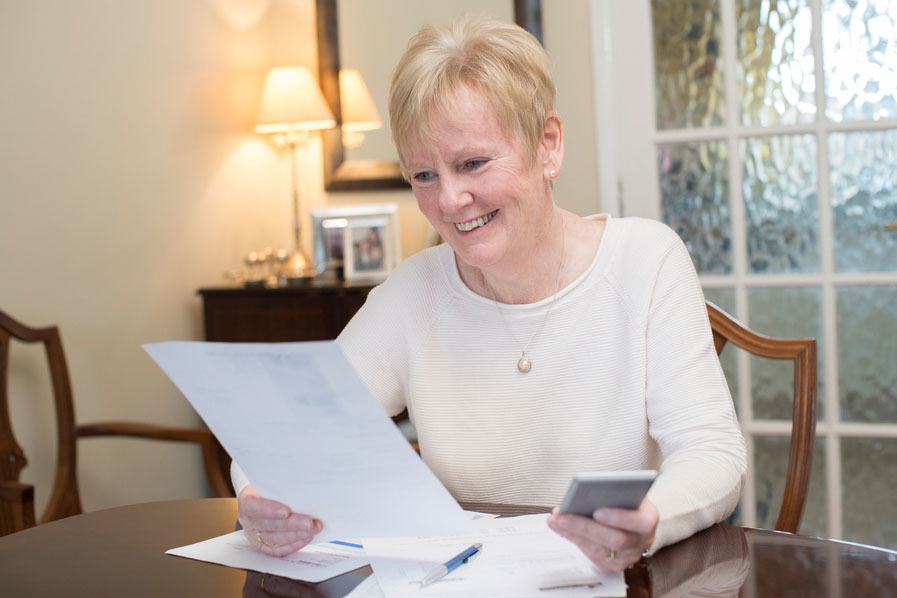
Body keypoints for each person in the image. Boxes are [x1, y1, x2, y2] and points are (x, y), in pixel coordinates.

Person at [234, 15, 746, 572]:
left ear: (547, 144)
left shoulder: (647, 260)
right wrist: (258, 498)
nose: (451, 200)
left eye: (472, 163)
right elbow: (283, 436)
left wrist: (650, 519)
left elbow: (713, 455)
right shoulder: (413, 291)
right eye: (424, 176)